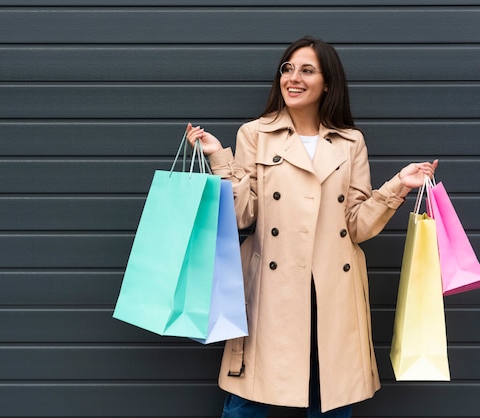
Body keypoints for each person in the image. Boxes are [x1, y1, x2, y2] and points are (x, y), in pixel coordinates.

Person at [185, 36, 437, 418]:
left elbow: (357, 226)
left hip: (332, 291)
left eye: (306, 70)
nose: (293, 77)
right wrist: (221, 158)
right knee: (248, 401)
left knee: (331, 401)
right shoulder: (254, 134)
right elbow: (244, 215)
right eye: (287, 69)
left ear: (328, 83)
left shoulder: (350, 142)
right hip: (272, 291)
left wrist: (398, 185)